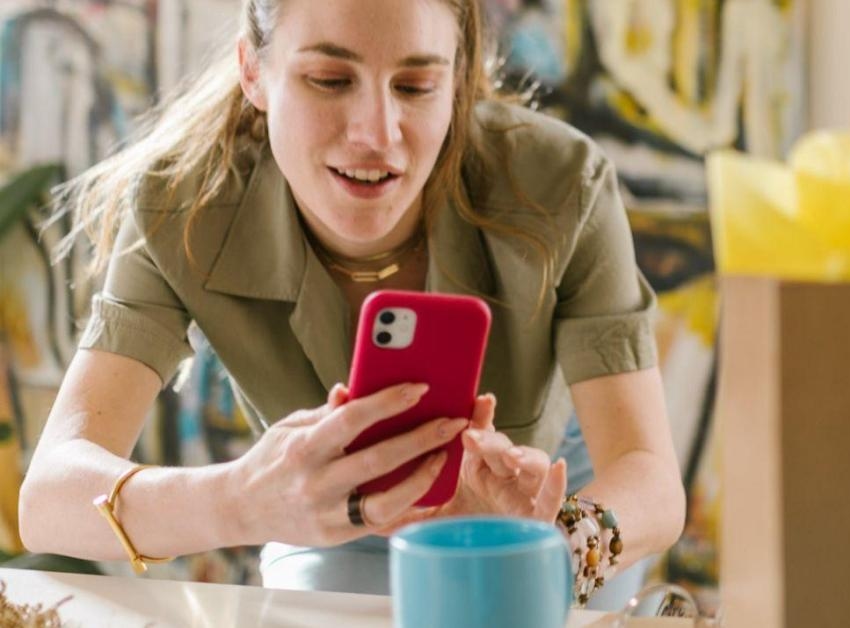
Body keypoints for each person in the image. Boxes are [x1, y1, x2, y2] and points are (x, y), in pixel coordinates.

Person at [17, 0, 685, 605]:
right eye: (329, 80)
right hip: (318, 510)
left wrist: (546, 545)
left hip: (550, 509)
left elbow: (649, 479)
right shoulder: (181, 206)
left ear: (456, 80)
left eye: (417, 86)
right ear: (254, 72)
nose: (376, 132)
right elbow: (50, 497)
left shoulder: (562, 181)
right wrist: (243, 501)